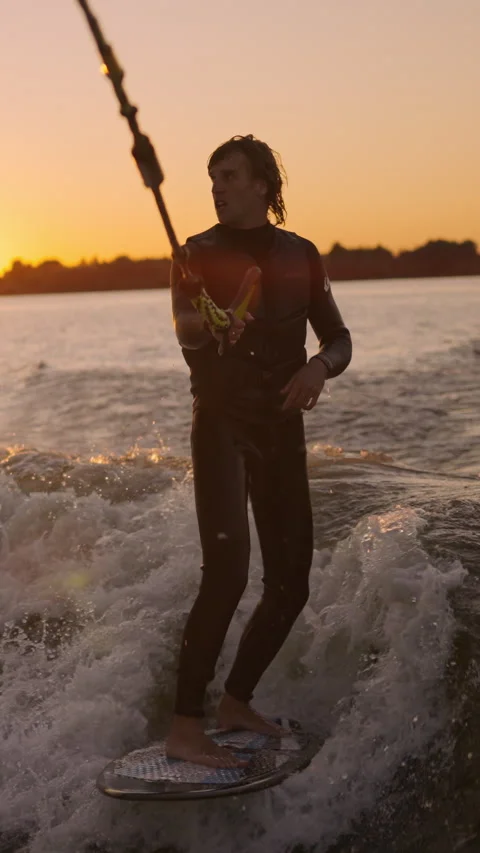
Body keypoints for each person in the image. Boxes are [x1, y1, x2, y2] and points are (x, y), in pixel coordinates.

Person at [166, 134, 352, 767]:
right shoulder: (195, 254)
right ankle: (185, 726)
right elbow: (189, 340)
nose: (216, 186)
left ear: (263, 186)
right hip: (221, 424)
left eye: (228, 175)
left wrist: (318, 369)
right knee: (227, 574)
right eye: (212, 176)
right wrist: (215, 323)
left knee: (291, 583)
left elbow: (339, 338)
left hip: (280, 429)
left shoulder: (301, 255)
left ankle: (236, 701)